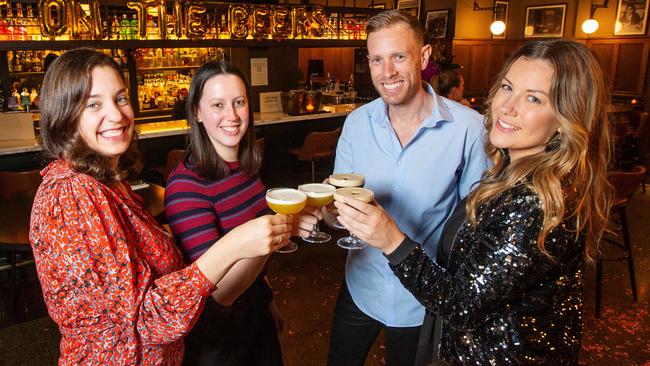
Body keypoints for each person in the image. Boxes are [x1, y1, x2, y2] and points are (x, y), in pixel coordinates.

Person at [334, 39, 612, 364]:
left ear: (567, 117)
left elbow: (461, 305)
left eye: (534, 98)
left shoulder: (535, 200)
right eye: (508, 87)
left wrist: (391, 239)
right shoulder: (511, 172)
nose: (507, 107)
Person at [29, 48, 293, 365]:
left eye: (121, 99)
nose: (116, 115)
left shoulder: (107, 184)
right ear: (64, 114)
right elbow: (146, 322)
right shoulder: (70, 194)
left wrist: (264, 297)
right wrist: (237, 245)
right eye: (93, 104)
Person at [326, 10, 489, 366]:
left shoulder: (469, 128)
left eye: (398, 56)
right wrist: (326, 211)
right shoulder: (356, 123)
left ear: (423, 57)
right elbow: (341, 209)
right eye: (377, 60)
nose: (387, 72)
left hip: (423, 299)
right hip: (361, 285)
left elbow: (477, 224)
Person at [164, 60, 319, 366]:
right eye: (217, 105)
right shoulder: (185, 187)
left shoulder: (247, 169)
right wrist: (282, 229)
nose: (232, 116)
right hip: (218, 336)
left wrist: (267, 300)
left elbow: (253, 261)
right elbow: (218, 292)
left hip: (253, 310)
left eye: (239, 103)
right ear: (196, 112)